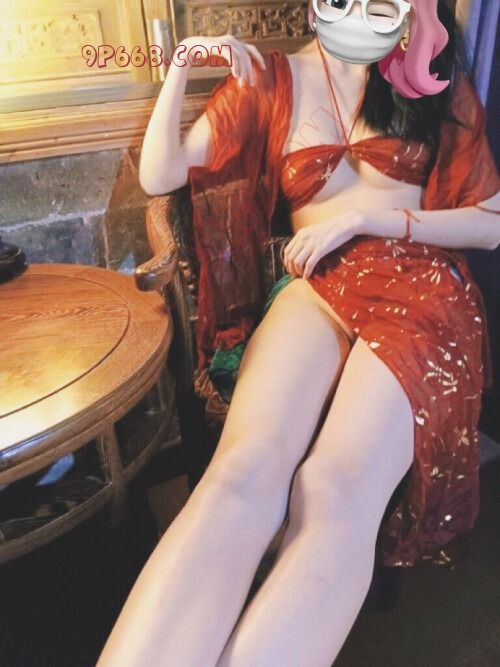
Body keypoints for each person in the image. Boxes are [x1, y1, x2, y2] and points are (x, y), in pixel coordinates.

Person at [98, 1, 500, 665]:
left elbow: (490, 221)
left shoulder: (431, 76)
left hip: (423, 289)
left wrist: (368, 221)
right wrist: (181, 67)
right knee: (242, 470)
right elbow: (161, 173)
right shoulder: (273, 78)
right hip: (319, 287)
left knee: (332, 489)